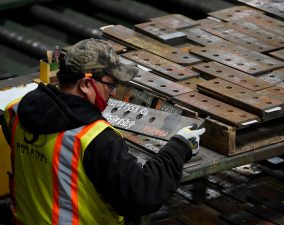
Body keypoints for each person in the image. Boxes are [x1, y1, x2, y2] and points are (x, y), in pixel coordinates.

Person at [1, 38, 205, 224]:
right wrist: (179, 147)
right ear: (86, 84)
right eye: (110, 84)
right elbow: (142, 194)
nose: (114, 92)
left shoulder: (16, 110)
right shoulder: (95, 139)